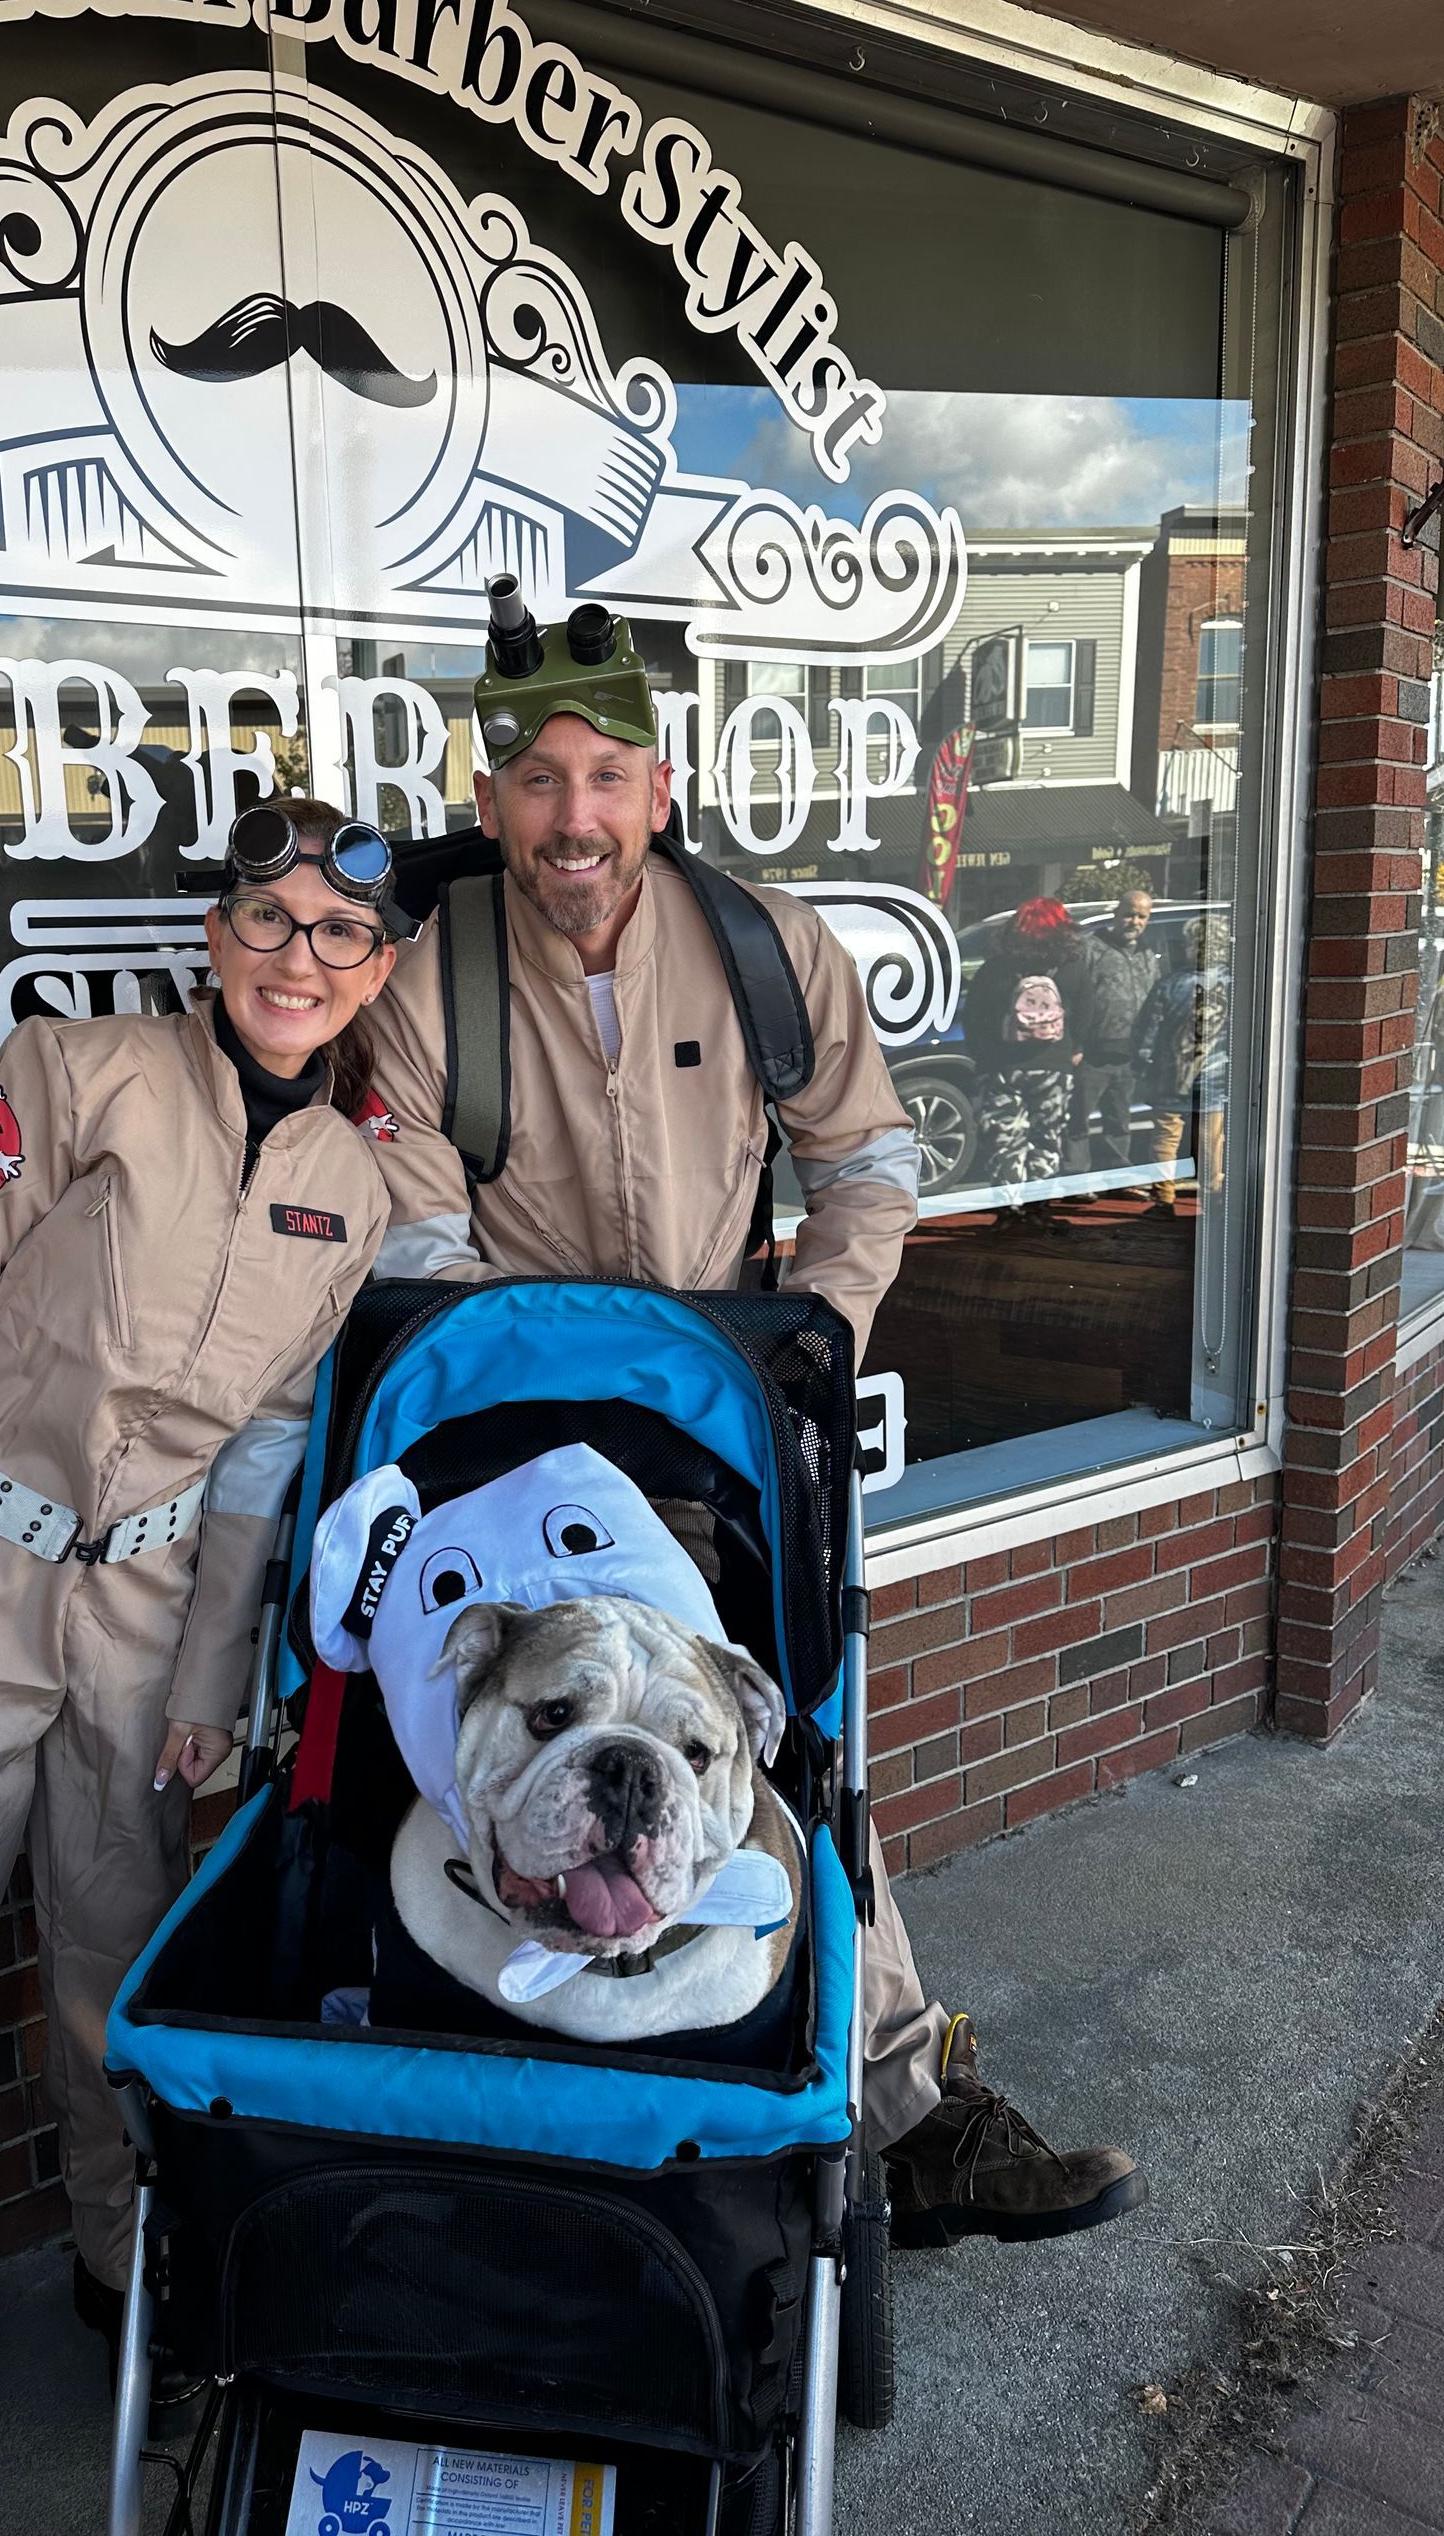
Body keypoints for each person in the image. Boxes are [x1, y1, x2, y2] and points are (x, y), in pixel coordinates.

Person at [361, 589, 1145, 2249]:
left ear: (659, 786)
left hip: (735, 1435)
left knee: (803, 1769)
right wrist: (530, 1397)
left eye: (608, 777)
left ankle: (912, 2112)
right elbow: (418, 1243)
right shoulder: (429, 987)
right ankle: (538, 2143)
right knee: (517, 1779)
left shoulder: (768, 948)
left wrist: (809, 1346)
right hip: (527, 1468)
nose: (576, 819)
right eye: (540, 782)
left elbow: (867, 1165)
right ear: (491, 797)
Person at [0, 800, 399, 2535]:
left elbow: (271, 1454)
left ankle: (113, 2258)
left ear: (377, 972)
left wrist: (214, 1677)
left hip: (145, 1623)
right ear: (213, 939)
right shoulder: (76, 1073)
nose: (299, 958)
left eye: (337, 936)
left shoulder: (351, 1186)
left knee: (117, 1959)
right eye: (267, 922)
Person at [962, 897, 1092, 1215]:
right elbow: (1088, 1012)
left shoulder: (997, 967)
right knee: (1047, 1137)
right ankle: (1038, 1206)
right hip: (1055, 1064)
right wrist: (1075, 1049)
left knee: (1005, 1139)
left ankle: (1009, 1209)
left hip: (1002, 1066)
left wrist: (983, 1054)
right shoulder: (1073, 966)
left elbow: (974, 1015)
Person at [1135, 913, 1232, 1213]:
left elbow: (1148, 1030)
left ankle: (1163, 1197)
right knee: (1211, 1137)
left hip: (1171, 1072)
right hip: (1215, 1073)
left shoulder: (1170, 983)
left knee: (1166, 1135)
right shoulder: (1233, 983)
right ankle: (1214, 1193)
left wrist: (1143, 1059)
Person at [1067, 889, 1160, 1181]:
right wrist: (1075, 1043)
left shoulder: (1147, 953)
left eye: (1141, 916)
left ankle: (1116, 1177)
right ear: (1117, 914)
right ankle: (1075, 1177)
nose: (1134, 921)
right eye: (1129, 914)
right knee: (1078, 1119)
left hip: (1130, 1054)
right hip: (1092, 1051)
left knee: (1119, 1120)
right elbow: (1073, 998)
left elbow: (1156, 999)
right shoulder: (1091, 948)